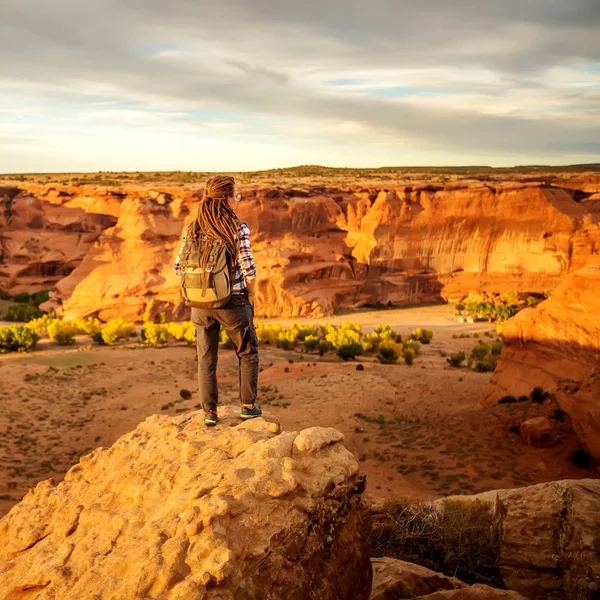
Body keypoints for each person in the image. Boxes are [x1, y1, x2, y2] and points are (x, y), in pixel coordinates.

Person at [173, 175, 260, 426]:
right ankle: (248, 407)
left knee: (206, 359)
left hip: (200, 304)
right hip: (233, 302)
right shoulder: (237, 227)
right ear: (228, 199)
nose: (238, 201)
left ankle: (210, 413)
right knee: (247, 353)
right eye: (237, 196)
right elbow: (249, 268)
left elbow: (178, 267)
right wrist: (252, 293)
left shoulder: (193, 228)